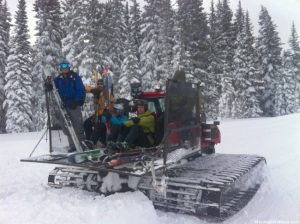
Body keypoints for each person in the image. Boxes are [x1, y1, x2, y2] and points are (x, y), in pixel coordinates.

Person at [51, 60, 86, 152]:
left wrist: (76, 101)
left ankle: (82, 145)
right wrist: (48, 85)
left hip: (74, 105)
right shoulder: (58, 79)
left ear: (69, 67)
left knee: (77, 126)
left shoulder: (75, 77)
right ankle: (73, 146)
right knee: (66, 126)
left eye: (66, 66)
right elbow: (52, 86)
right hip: (63, 106)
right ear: (60, 68)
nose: (64, 68)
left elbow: (80, 89)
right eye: (62, 66)